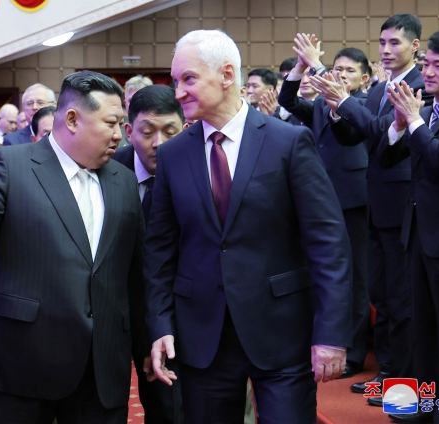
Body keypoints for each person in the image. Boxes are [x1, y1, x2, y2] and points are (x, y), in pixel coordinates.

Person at [144, 29, 352, 423]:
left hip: (283, 332)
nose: (178, 92)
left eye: (188, 79)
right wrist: (160, 323)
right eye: (175, 81)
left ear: (226, 75)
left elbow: (328, 243)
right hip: (202, 336)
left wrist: (331, 332)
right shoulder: (172, 155)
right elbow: (160, 250)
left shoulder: (288, 142)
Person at [0, 71, 147, 423]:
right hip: (22, 360)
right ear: (71, 120)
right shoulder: (12, 165)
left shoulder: (123, 179)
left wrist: (146, 341)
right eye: (111, 123)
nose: (119, 135)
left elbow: (134, 270)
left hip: (101, 368)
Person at [310, 14, 430, 398]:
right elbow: (357, 137)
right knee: (380, 292)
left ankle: (403, 381)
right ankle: (389, 373)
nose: (386, 50)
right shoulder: (380, 90)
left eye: (395, 43)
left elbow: (382, 135)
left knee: (401, 296)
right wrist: (336, 106)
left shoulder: (418, 86)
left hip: (405, 205)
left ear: (414, 47)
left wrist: (345, 101)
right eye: (382, 43)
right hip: (375, 201)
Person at [378, 30, 439, 424]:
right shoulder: (426, 106)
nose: (429, 72)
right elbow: (386, 159)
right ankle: (424, 405)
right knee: (422, 328)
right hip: (416, 231)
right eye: (427, 64)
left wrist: (414, 120)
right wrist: (401, 124)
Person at [279, 40, 372, 380]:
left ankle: (356, 351)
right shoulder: (318, 106)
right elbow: (286, 100)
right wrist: (302, 66)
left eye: (350, 70)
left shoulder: (363, 104)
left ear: (364, 78)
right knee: (321, 272)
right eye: (338, 68)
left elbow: (352, 128)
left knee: (355, 277)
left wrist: (319, 68)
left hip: (352, 198)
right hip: (317, 199)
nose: (342, 74)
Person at [113, 84, 187, 424]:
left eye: (169, 131)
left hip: (180, 317)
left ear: (184, 128)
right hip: (116, 313)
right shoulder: (108, 172)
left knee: (172, 408)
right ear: (129, 132)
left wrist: (159, 329)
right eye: (147, 132)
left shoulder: (198, 170)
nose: (158, 143)